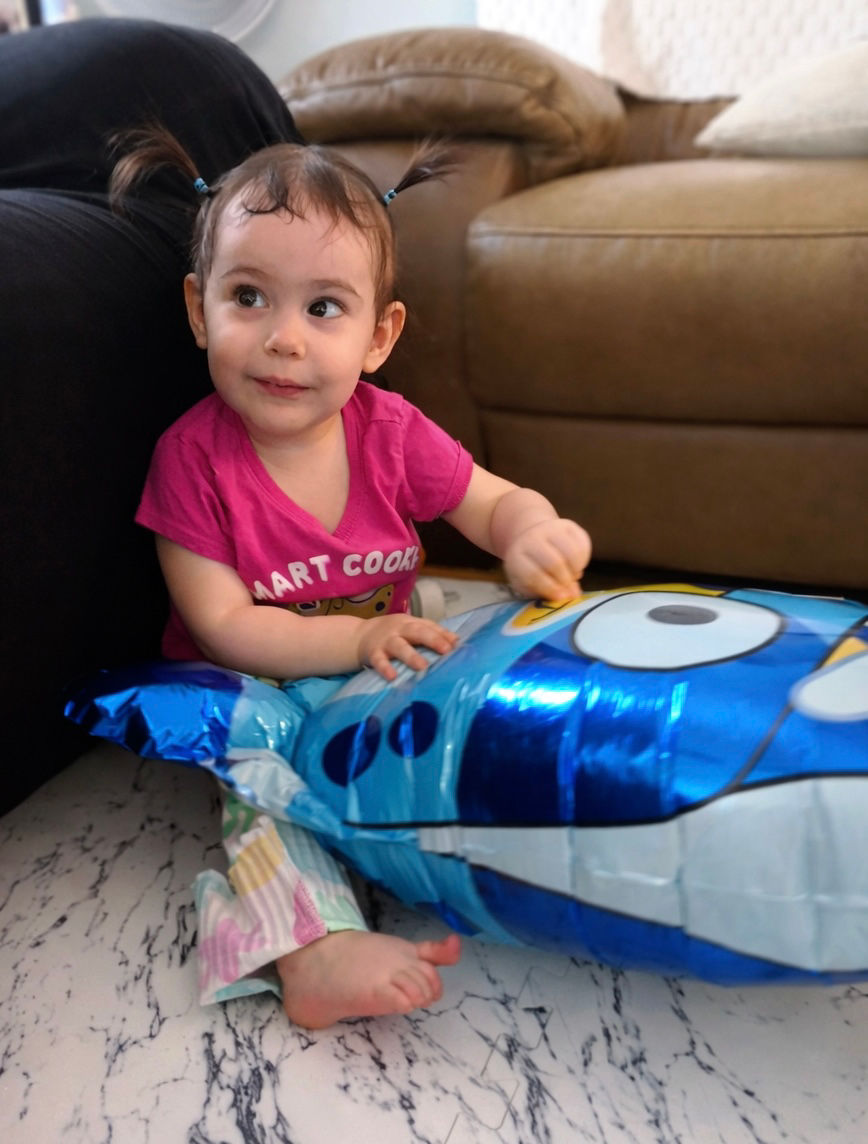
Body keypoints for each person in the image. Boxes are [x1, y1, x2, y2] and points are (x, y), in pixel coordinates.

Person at [112, 128, 592, 1028]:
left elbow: (493, 505)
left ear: (379, 336)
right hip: (259, 681)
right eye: (249, 297)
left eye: (323, 309)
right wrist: (356, 639)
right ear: (197, 309)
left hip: (387, 656)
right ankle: (310, 947)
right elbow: (222, 624)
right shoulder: (190, 460)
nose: (285, 340)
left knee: (486, 689)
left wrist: (532, 530)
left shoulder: (393, 432)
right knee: (265, 785)